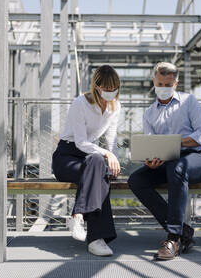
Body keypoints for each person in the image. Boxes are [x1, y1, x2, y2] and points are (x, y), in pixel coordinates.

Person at [128, 62, 201, 261]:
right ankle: (184, 231)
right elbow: (151, 143)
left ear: (176, 83)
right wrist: (150, 161)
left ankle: (174, 237)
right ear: (154, 82)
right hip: (167, 161)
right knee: (136, 180)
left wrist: (177, 142)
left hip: (197, 158)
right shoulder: (150, 112)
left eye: (168, 84)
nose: (163, 88)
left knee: (177, 167)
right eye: (160, 83)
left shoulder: (189, 102)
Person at [52, 65, 121, 257]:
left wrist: (113, 158)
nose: (111, 92)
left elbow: (111, 140)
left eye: (114, 88)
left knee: (99, 165)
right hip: (67, 155)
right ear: (96, 86)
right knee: (99, 166)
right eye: (107, 88)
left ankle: (79, 217)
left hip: (91, 157)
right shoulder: (80, 103)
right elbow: (81, 142)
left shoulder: (115, 108)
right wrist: (108, 155)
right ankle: (97, 239)